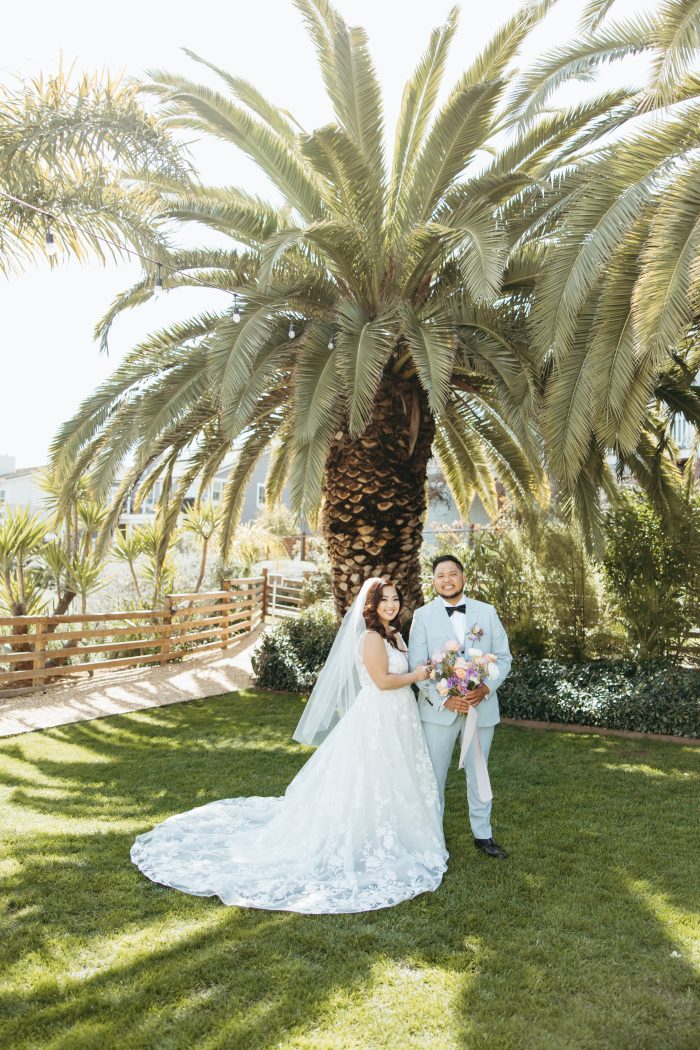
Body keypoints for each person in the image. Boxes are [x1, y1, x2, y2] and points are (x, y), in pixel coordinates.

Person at [131, 577, 448, 914]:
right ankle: (367, 836)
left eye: (395, 599)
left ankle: (394, 831)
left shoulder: (395, 635)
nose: (391, 605)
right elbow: (383, 682)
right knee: (372, 776)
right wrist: (419, 676)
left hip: (400, 717)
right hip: (378, 717)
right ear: (371, 605)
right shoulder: (371, 638)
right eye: (384, 600)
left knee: (394, 775)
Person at [408, 555, 512, 859]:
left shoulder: (487, 612)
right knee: (433, 776)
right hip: (438, 713)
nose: (447, 580)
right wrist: (443, 698)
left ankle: (483, 835)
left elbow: (503, 658)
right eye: (440, 575)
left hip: (481, 709)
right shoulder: (422, 616)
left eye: (452, 574)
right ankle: (431, 837)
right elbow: (417, 666)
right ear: (433, 581)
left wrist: (485, 688)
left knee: (479, 773)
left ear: (463, 578)